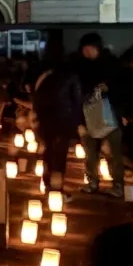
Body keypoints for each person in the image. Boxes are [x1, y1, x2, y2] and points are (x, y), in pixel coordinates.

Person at [77, 32, 124, 196]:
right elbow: (76, 94)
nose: (88, 52)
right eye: (85, 49)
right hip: (88, 115)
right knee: (90, 151)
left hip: (111, 115)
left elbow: (121, 87)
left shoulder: (111, 65)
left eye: (91, 49)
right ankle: (92, 182)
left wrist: (108, 87)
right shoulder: (80, 68)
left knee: (115, 152)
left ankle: (118, 185)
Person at [33, 53, 87, 189]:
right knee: (60, 153)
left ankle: (47, 182)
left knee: (49, 150)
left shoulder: (46, 75)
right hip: (64, 118)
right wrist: (78, 122)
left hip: (46, 118)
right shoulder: (73, 77)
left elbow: (37, 96)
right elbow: (77, 101)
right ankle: (57, 185)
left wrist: (37, 116)